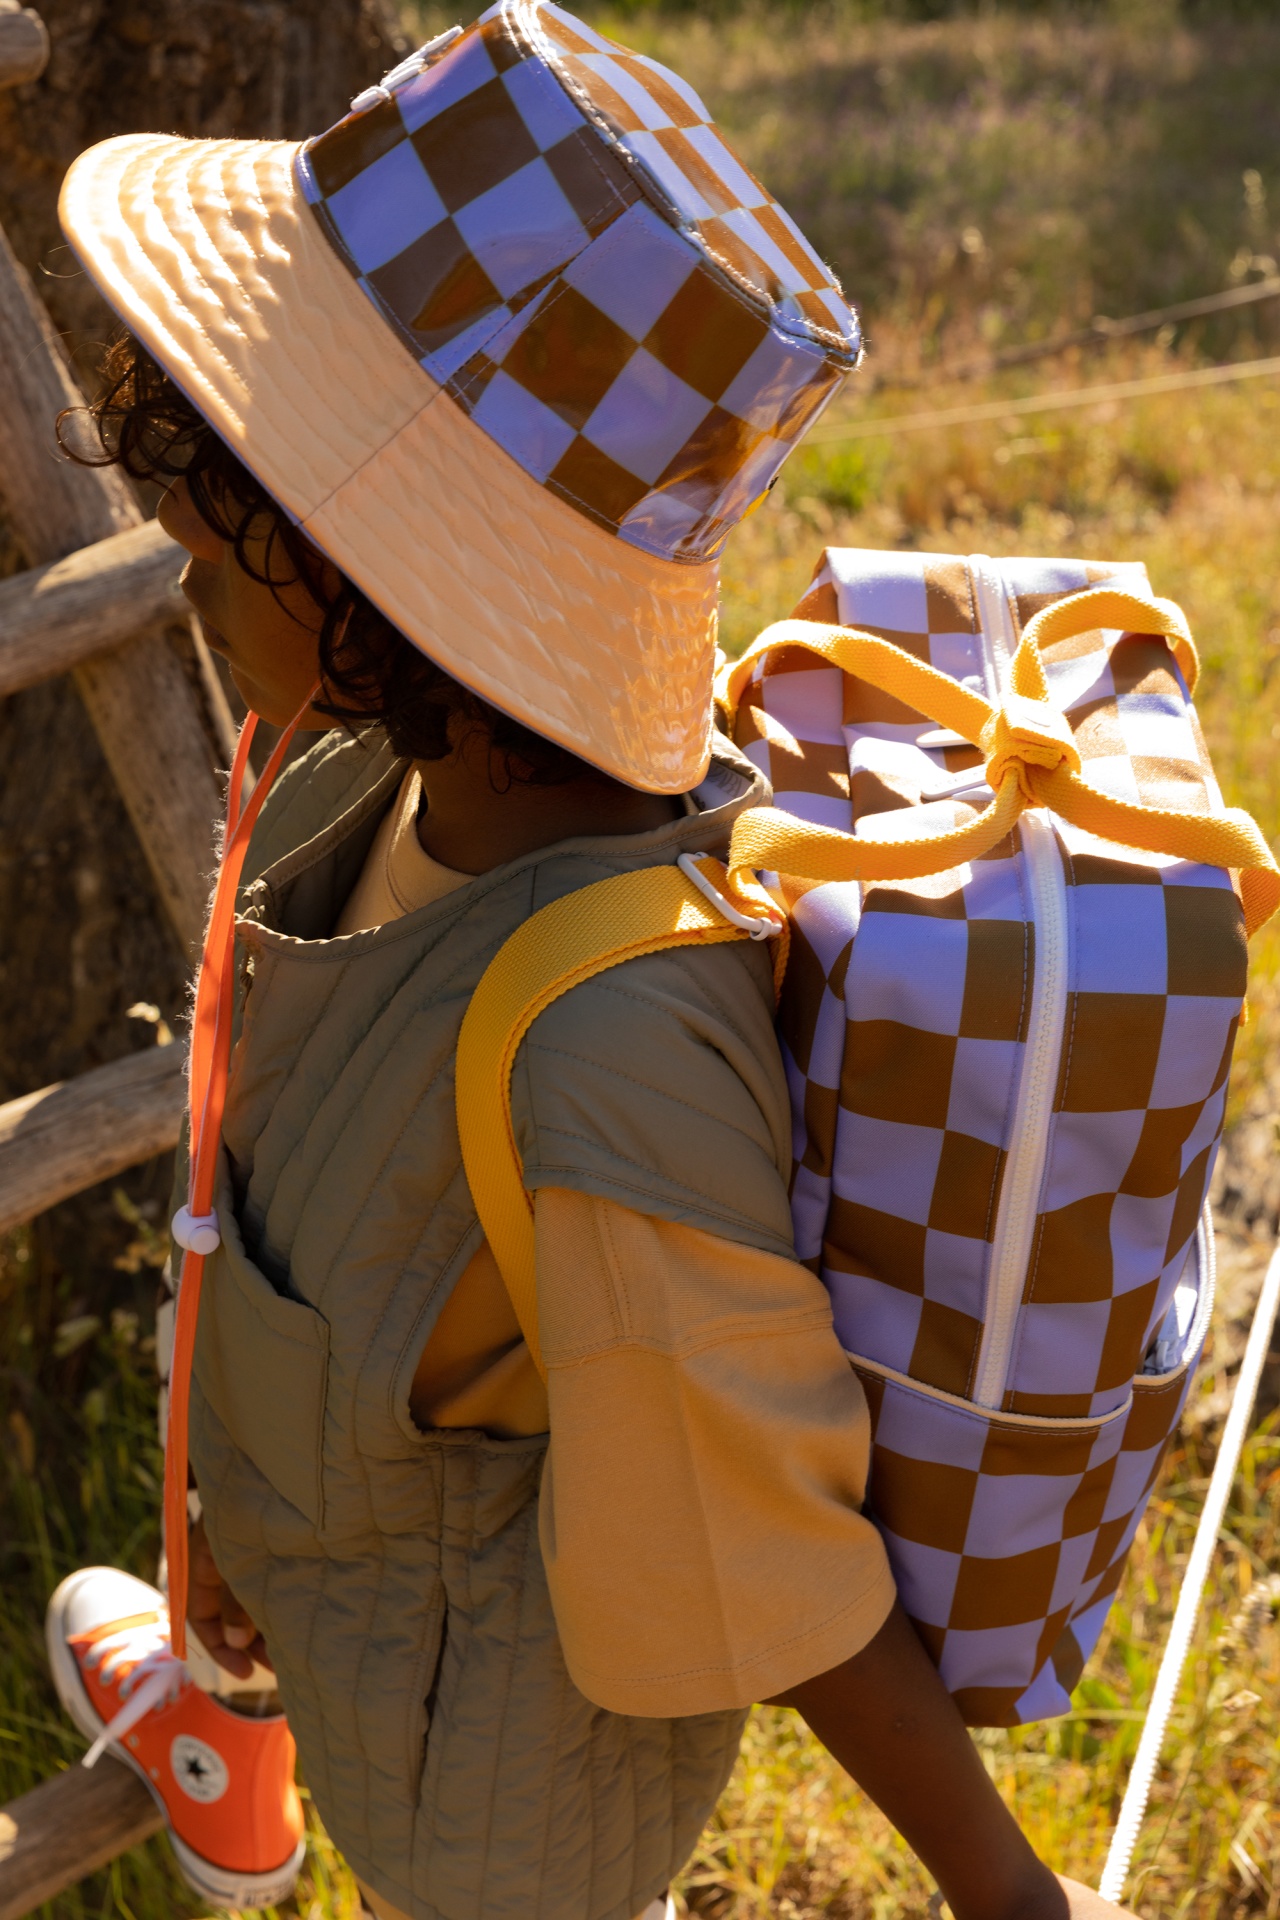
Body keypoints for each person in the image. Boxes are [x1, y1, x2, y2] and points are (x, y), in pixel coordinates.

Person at [46, 7, 1141, 1917]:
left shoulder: (607, 1043)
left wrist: (1006, 1891)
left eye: (232, 469)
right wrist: (241, 1501)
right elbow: (348, 1213)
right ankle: (233, 1684)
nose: (172, 515)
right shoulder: (392, 767)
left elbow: (755, 1549)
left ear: (373, 561)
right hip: (353, 1577)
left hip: (498, 1808)